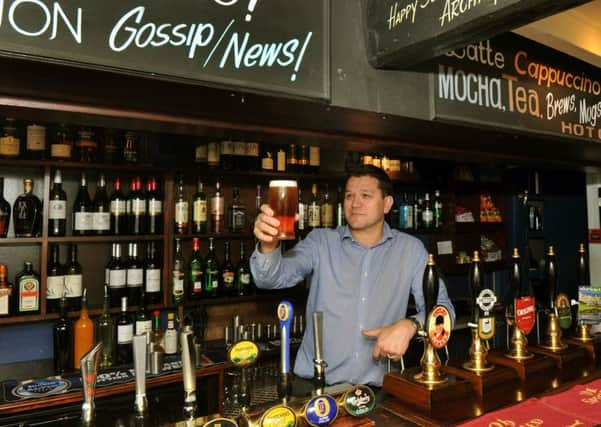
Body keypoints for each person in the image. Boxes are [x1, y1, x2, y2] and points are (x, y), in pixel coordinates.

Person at [251, 164, 455, 387]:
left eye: (365, 196)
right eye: (349, 196)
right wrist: (268, 245)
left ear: (387, 204)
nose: (355, 204)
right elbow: (269, 279)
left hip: (379, 389)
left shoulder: (411, 250)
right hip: (315, 386)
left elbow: (443, 310)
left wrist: (410, 325)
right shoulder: (320, 241)